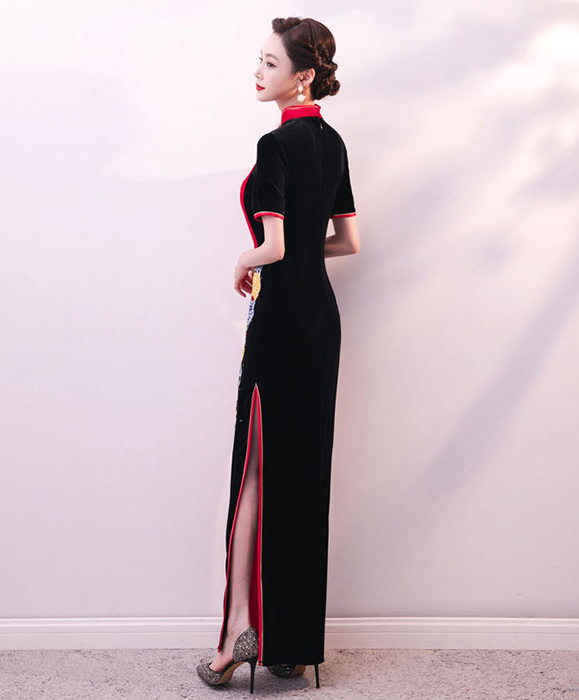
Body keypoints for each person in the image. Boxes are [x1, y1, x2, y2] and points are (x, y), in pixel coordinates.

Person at [196, 16, 359, 693]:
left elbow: (275, 247)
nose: (258, 72)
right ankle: (290, 644)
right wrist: (290, 255)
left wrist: (245, 258)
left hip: (282, 323)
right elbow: (346, 242)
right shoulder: (334, 142)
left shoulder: (275, 145)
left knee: (256, 474)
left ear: (303, 75)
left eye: (270, 62)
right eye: (259, 60)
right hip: (321, 321)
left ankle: (240, 632)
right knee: (303, 475)